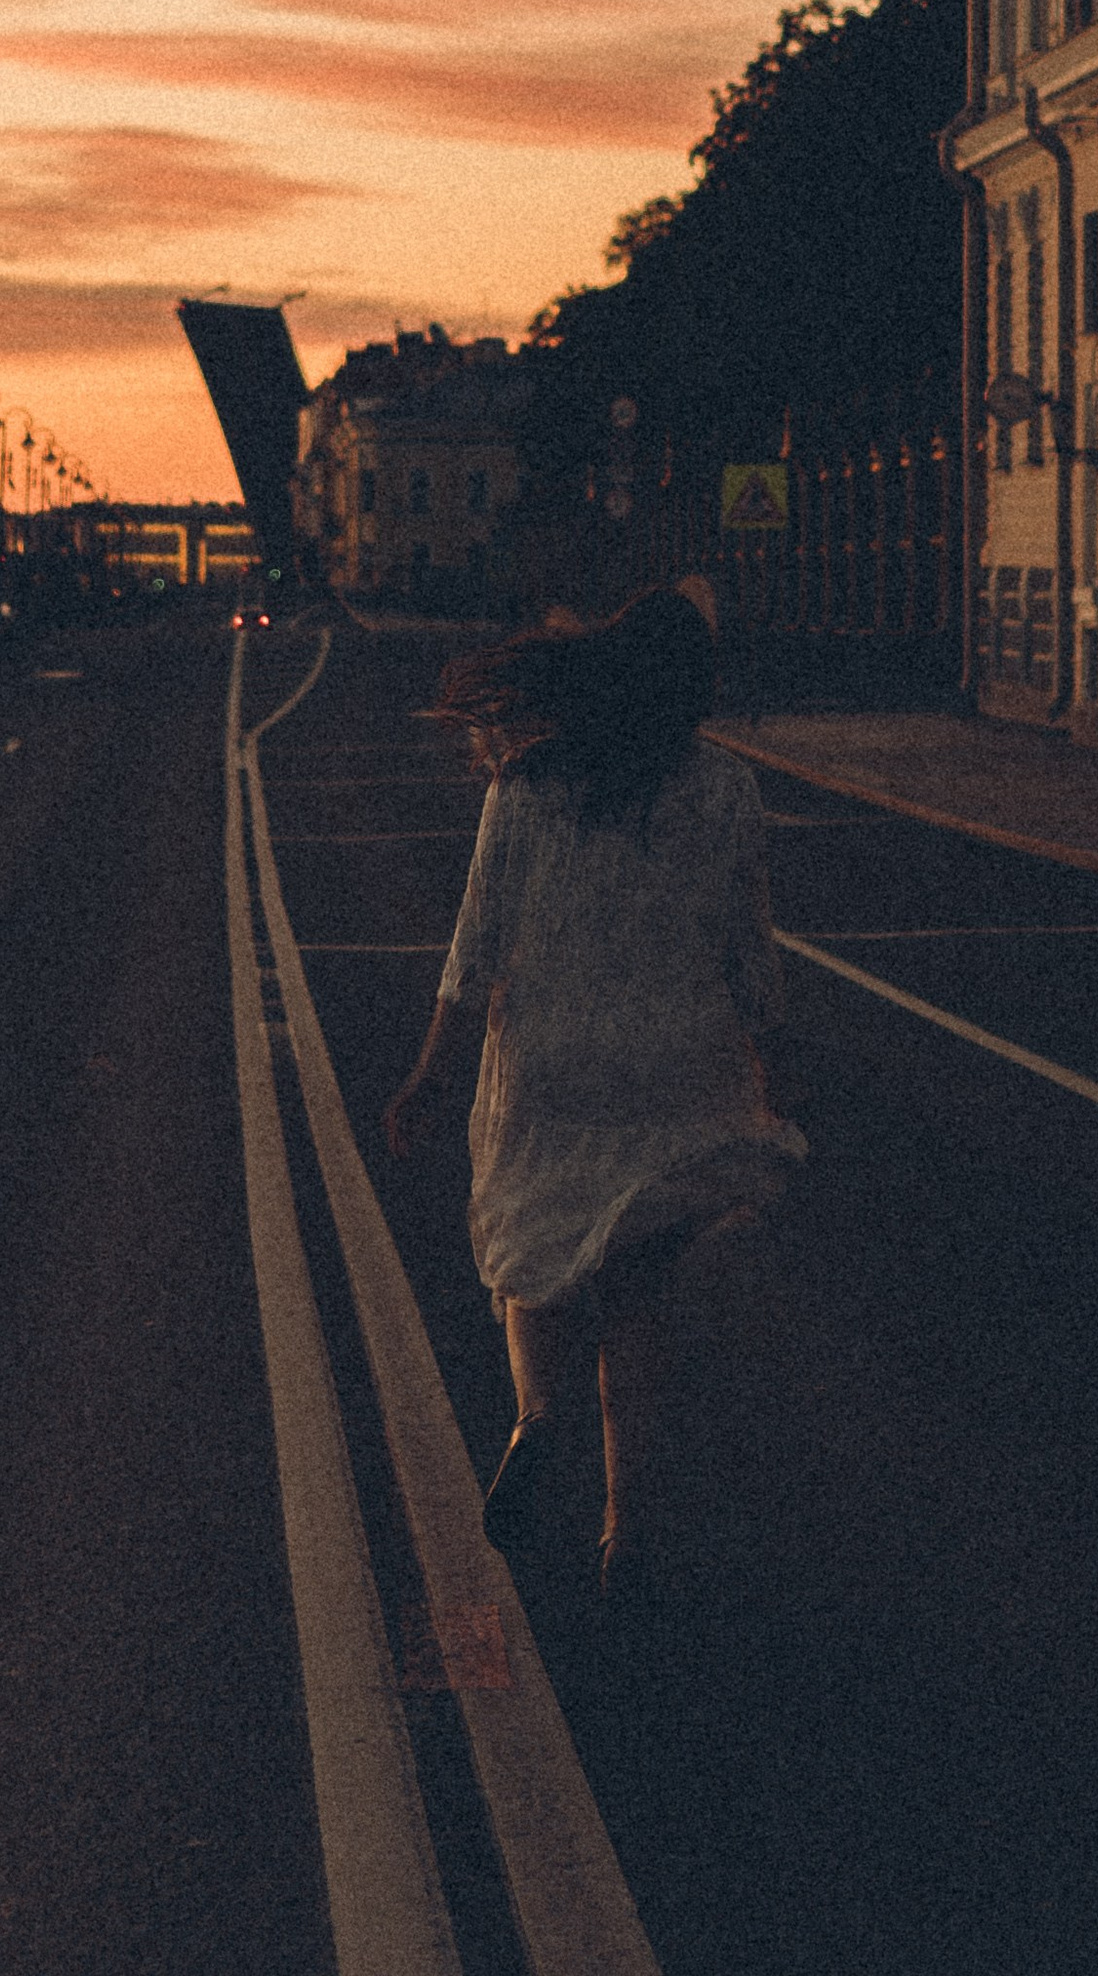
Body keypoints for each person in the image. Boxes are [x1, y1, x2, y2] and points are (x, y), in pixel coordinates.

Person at [384, 579, 805, 1603]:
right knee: (639, 1299)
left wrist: (428, 1077)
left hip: (547, 1061)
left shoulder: (525, 788)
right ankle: (626, 1531)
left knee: (533, 1261)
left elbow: (471, 949)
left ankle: (536, 1420)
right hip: (673, 1061)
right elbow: (746, 949)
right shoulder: (724, 790)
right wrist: (770, 1052)